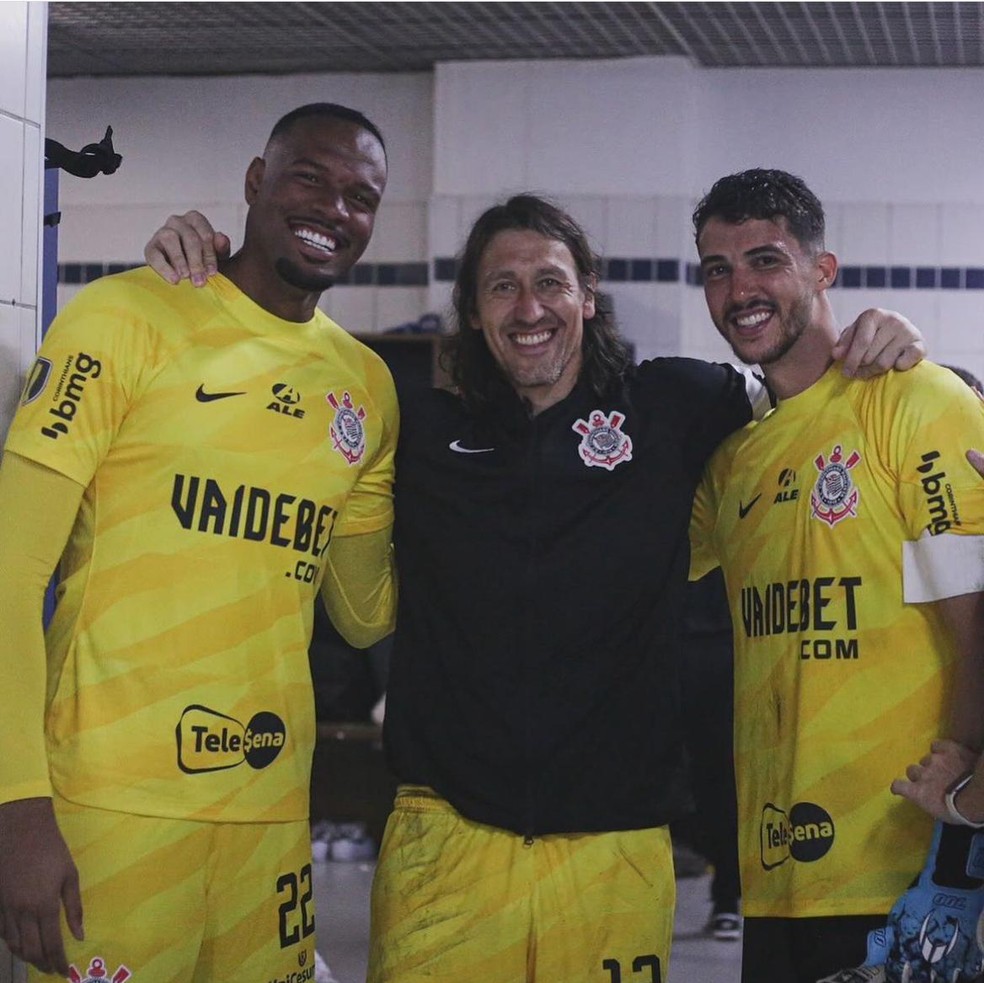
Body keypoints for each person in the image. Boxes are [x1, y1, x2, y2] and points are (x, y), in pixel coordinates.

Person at [144, 193, 924, 983]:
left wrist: (879, 336)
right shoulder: (417, 430)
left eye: (550, 282)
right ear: (474, 314)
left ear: (588, 294)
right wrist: (215, 271)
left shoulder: (676, 405)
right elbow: (276, 385)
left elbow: (807, 400)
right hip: (443, 846)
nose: (529, 308)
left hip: (615, 853)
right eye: (502, 286)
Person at [0, 103, 398, 982]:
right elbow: (8, 573)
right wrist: (16, 805)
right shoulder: (122, 319)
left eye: (361, 195)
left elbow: (369, 615)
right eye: (309, 178)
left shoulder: (365, 388)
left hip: (270, 810)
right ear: (255, 183)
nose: (335, 207)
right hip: (110, 809)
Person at [688, 169, 984, 983]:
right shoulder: (731, 463)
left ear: (823, 271)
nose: (740, 288)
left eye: (764, 260)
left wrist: (961, 795)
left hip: (906, 867)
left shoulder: (915, 400)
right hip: (776, 878)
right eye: (718, 268)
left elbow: (979, 618)